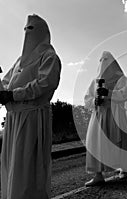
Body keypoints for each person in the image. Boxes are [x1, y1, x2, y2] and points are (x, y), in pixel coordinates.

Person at [0, 14, 61, 199]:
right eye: (26, 29)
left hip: (32, 119)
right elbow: (7, 82)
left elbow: (45, 84)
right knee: (11, 167)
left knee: (27, 170)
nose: (28, 32)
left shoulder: (49, 56)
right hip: (13, 120)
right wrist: (3, 92)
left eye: (31, 29)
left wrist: (13, 95)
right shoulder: (20, 61)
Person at [84, 51, 127, 186]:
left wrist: (108, 93)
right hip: (99, 114)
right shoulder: (94, 81)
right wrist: (94, 101)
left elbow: (125, 94)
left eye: (106, 60)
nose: (104, 63)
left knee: (119, 141)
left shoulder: (121, 79)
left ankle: (124, 168)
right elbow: (87, 98)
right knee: (97, 143)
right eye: (101, 60)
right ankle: (98, 174)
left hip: (115, 114)